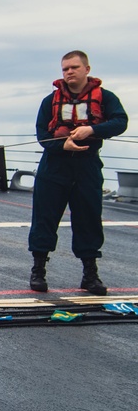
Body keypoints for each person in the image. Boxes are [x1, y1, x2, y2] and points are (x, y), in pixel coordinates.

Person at [28, 50, 129, 295]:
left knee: (89, 218)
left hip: (87, 165)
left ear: (87, 69)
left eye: (74, 67)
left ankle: (90, 274)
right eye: (65, 69)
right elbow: (42, 134)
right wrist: (63, 144)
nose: (69, 72)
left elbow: (120, 121)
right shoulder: (49, 101)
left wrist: (91, 131)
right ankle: (38, 270)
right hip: (54, 165)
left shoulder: (106, 97)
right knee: (45, 218)